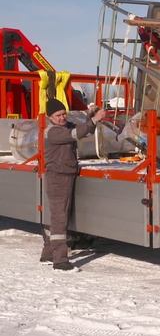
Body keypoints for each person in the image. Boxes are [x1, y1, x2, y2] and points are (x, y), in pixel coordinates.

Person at [40, 98, 105, 270]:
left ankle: (48, 254)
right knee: (59, 218)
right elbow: (75, 134)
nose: (62, 118)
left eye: (63, 114)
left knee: (57, 216)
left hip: (66, 175)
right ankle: (60, 260)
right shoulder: (53, 132)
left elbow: (83, 131)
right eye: (58, 115)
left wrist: (89, 117)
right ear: (50, 117)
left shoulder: (64, 126)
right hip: (57, 177)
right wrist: (94, 120)